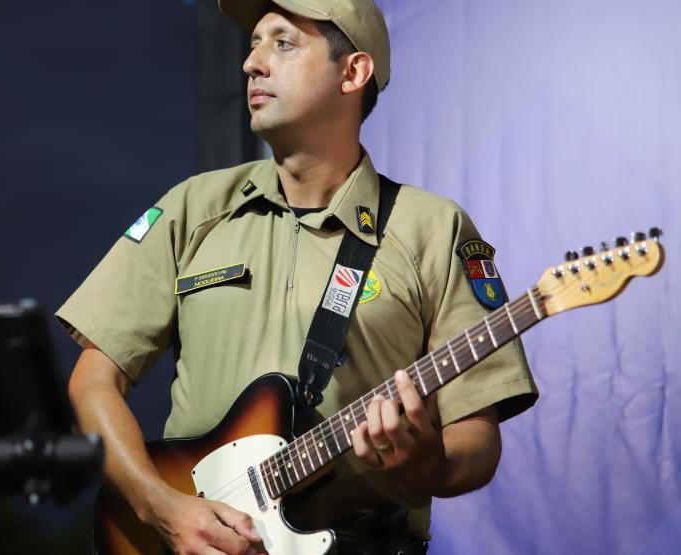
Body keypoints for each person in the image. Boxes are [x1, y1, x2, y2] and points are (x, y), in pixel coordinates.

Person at [58, 1, 538, 553]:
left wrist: (426, 466)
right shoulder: (190, 209)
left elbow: (476, 438)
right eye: (254, 43)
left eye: (282, 43)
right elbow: (90, 385)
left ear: (353, 73)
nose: (252, 64)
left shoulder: (433, 227)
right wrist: (160, 508)